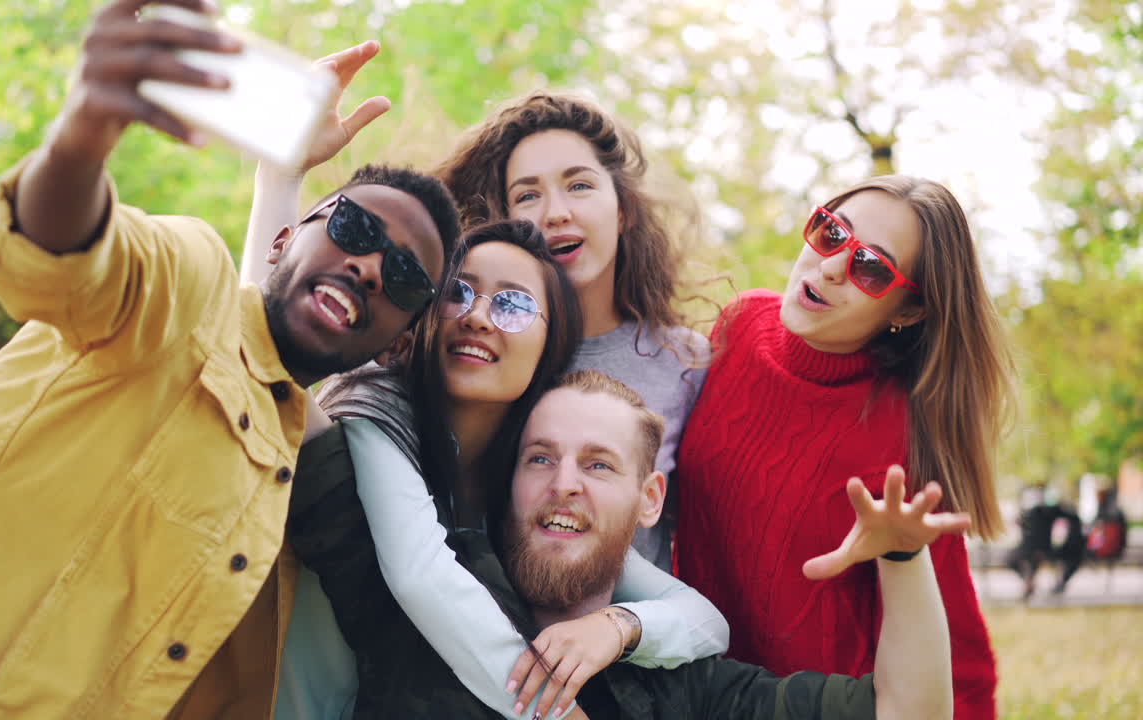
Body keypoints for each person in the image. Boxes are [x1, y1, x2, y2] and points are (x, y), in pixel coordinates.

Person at [0, 2, 459, 717]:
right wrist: (83, 136)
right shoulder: (189, 283)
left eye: (403, 278)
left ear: (396, 341)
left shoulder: (298, 488)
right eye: (355, 227)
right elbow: (58, 261)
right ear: (282, 242)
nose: (367, 266)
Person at [292, 369, 965, 719]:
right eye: (539, 459)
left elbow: (908, 712)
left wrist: (904, 560)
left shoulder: (689, 691)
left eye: (598, 464)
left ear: (650, 502)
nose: (564, 485)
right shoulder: (416, 613)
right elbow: (287, 396)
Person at [271, 220, 727, 719]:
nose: (478, 317)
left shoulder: (532, 479)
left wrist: (617, 628)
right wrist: (553, 712)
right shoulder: (372, 412)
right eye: (458, 293)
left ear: (552, 345)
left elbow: (705, 623)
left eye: (514, 305)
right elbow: (421, 575)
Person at [676, 177, 1014, 720]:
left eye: (872, 268)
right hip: (691, 688)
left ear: (909, 311)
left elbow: (955, 662)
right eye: (831, 233)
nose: (832, 266)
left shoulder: (905, 436)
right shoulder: (738, 325)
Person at [432, 91, 710, 571]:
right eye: (528, 195)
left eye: (579, 186)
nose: (555, 212)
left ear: (623, 210)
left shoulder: (683, 361)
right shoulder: (472, 341)